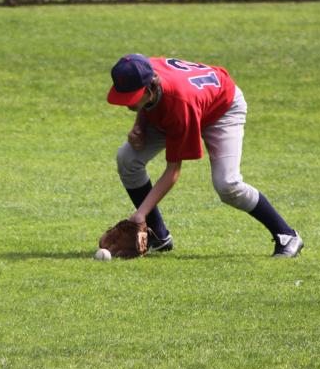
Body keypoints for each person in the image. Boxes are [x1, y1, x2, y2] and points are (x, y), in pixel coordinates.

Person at [107, 54, 303, 257]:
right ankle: (158, 236)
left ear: (149, 89)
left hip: (222, 109)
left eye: (132, 97)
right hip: (188, 104)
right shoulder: (142, 70)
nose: (126, 104)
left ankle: (287, 235)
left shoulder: (179, 103)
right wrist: (139, 126)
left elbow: (173, 170)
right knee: (127, 159)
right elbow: (150, 102)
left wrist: (140, 214)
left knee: (228, 185)